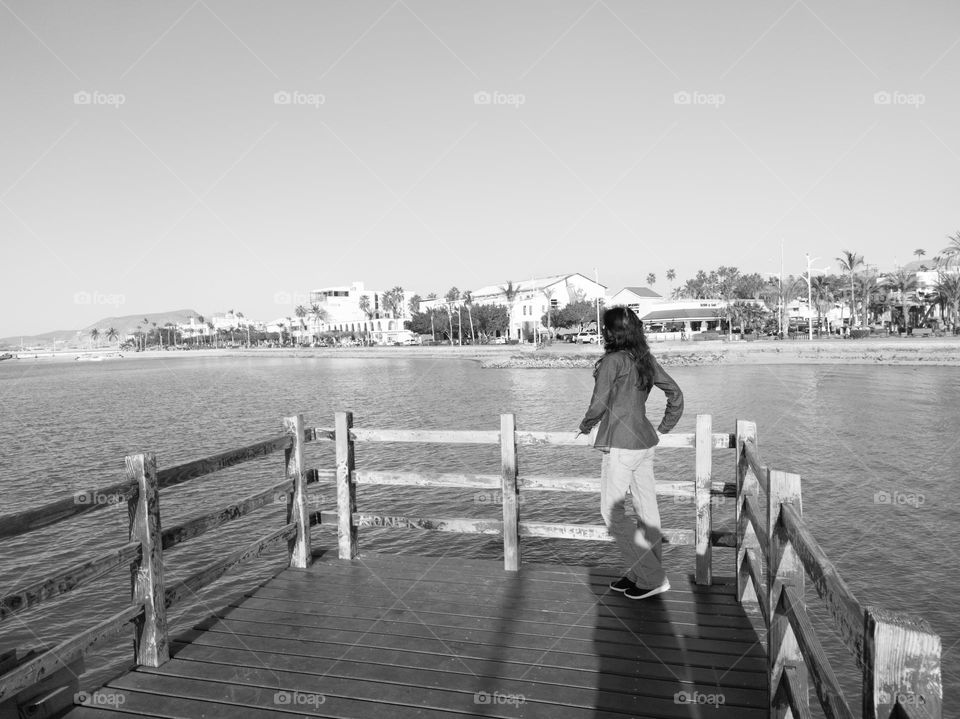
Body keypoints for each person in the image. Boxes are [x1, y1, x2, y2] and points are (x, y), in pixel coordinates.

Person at [577, 307, 684, 600]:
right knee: (647, 512)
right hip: (645, 443)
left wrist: (585, 426)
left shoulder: (613, 361)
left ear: (611, 332)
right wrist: (663, 428)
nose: (602, 332)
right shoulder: (643, 358)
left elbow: (598, 404)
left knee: (610, 514)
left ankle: (652, 577)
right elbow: (675, 393)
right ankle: (641, 573)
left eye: (604, 328)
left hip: (623, 446)